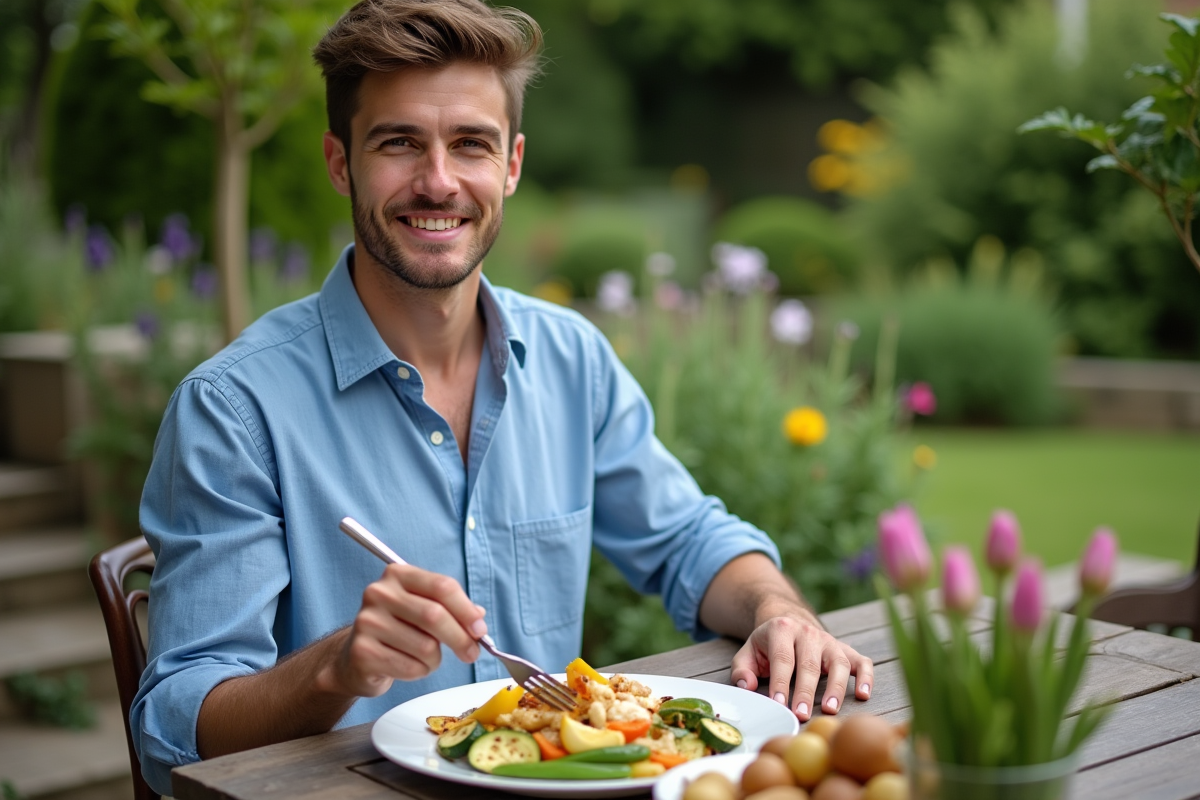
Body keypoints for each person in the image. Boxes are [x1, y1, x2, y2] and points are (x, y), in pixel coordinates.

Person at [130, 0, 874, 794]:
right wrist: (335, 668)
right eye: (399, 142)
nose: (438, 181)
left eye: (470, 144)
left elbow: (688, 539)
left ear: (511, 165)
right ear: (340, 163)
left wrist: (776, 610)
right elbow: (174, 727)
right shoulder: (233, 409)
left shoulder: (571, 359)